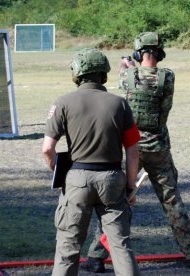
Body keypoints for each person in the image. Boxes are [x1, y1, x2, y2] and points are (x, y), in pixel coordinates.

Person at [80, 32, 190, 273]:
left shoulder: (126, 76)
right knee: (172, 202)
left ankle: (97, 257)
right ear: (160, 52)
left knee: (118, 204)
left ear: (138, 53)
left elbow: (126, 91)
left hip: (131, 148)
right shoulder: (168, 77)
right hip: (159, 147)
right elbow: (164, 106)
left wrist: (126, 67)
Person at [42, 48, 141, 276]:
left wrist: (58, 170)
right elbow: (133, 150)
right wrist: (131, 184)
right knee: (120, 246)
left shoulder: (63, 102)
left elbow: (47, 148)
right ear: (104, 74)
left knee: (68, 247)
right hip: (113, 179)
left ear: (77, 74)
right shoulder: (120, 104)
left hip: (77, 179)